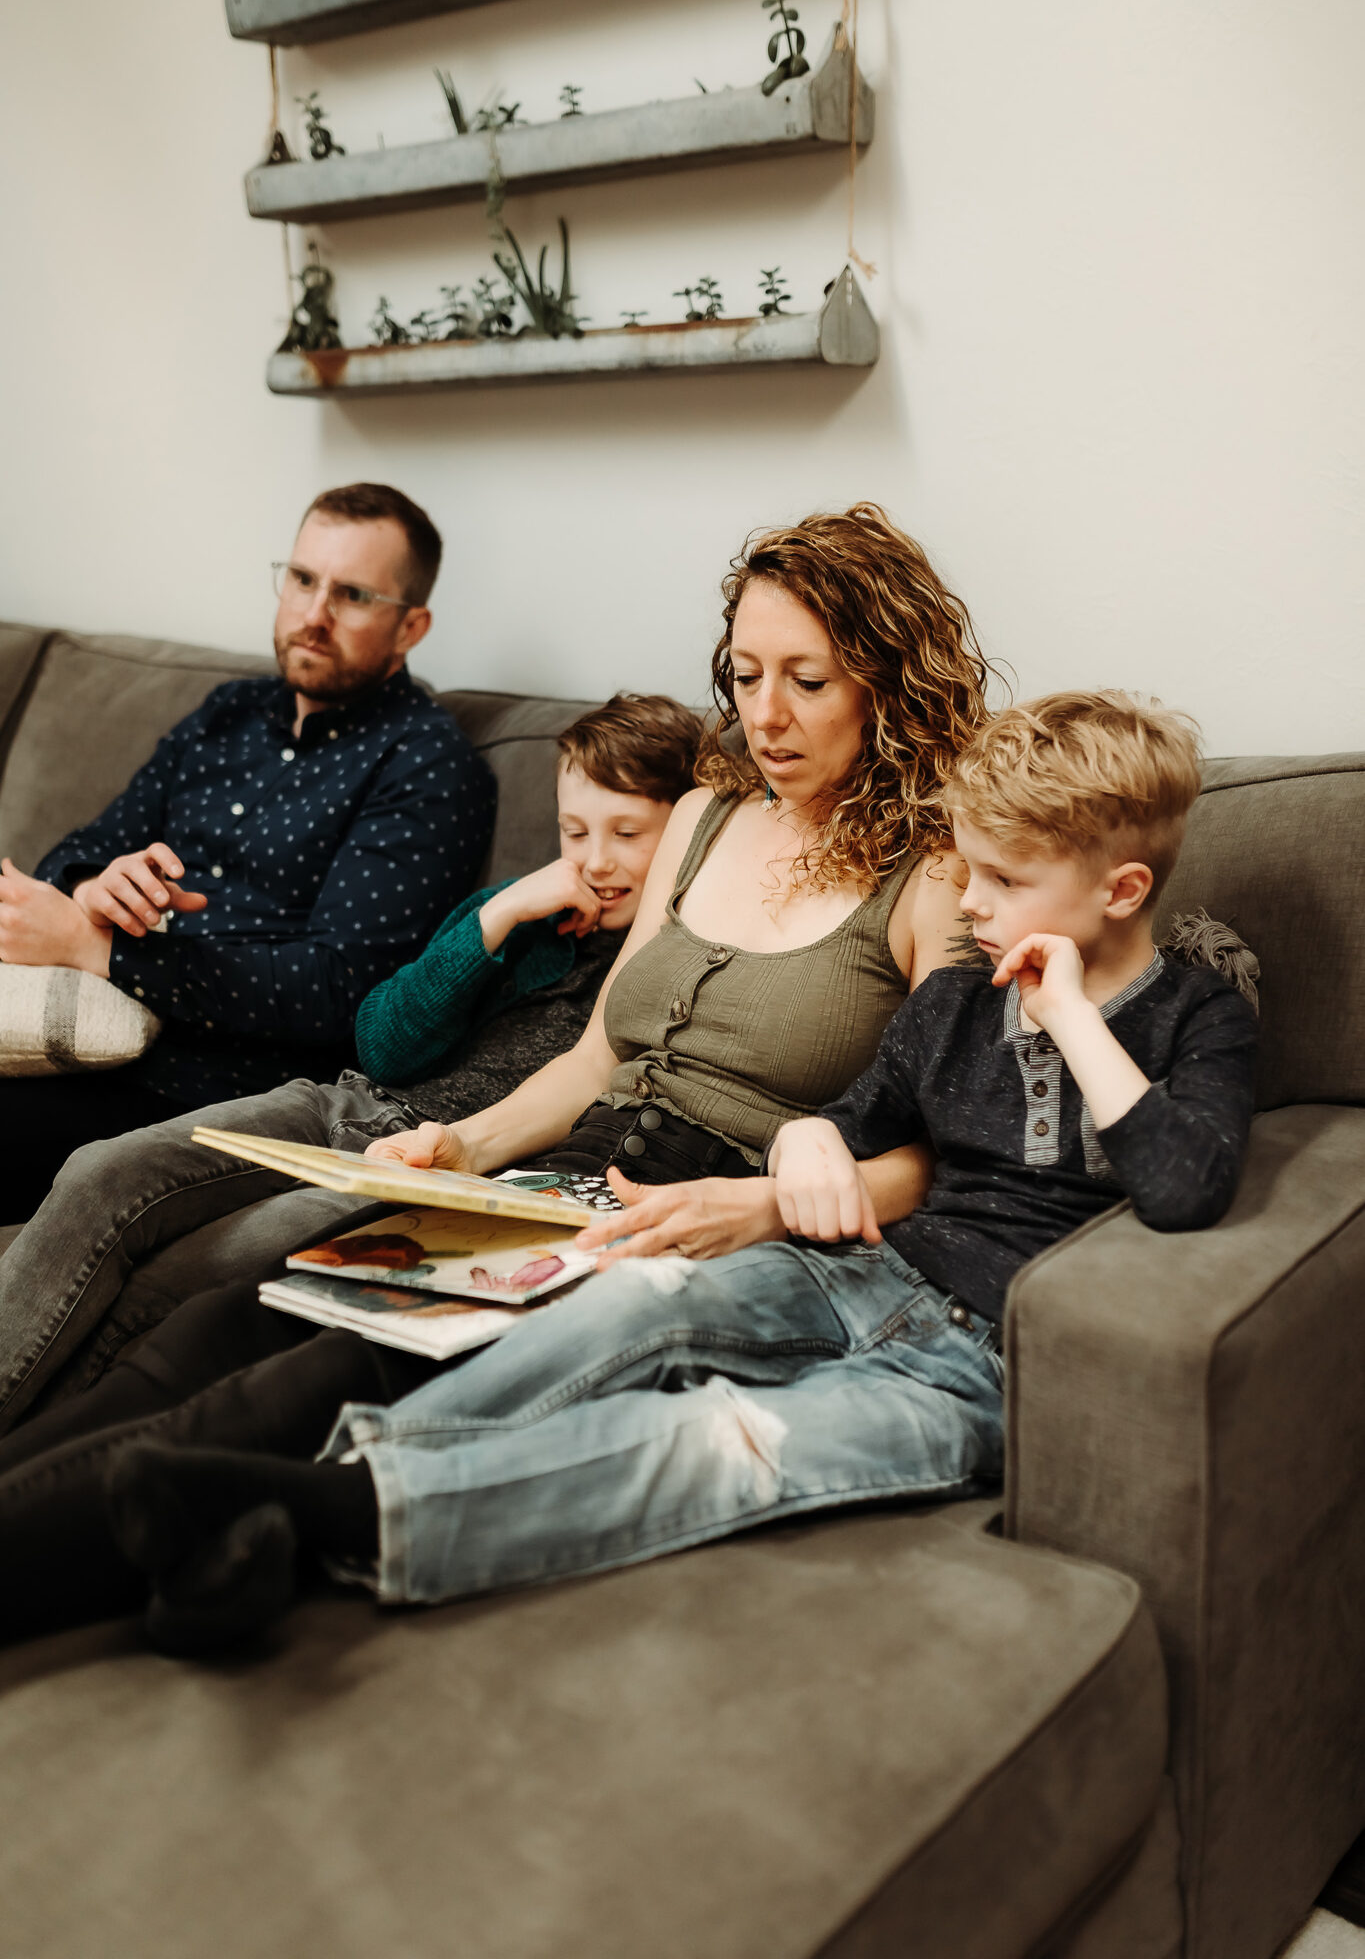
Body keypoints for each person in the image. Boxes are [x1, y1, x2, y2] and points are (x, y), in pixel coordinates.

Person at [9, 686, 1257, 1652]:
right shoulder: (959, 1003)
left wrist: (1076, 1013)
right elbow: (856, 1107)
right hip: (854, 1276)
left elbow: (1183, 1181)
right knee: (621, 1315)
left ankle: (321, 1516)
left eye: (1002, 881)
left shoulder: (1195, 1016)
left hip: (975, 1357)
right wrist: (812, 1139)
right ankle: (277, 1496)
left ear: (1121, 889)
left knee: (716, 1441)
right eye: (971, 873)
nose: (972, 904)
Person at [0, 501, 996, 1642]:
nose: (765, 713)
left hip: (684, 1219)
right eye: (746, 671)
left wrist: (764, 1204)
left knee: (290, 1393)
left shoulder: (938, 877)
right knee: (224, 1326)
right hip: (548, 1183)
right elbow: (597, 1055)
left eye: (808, 681)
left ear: (888, 678)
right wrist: (463, 1148)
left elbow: (944, 1152)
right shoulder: (711, 814)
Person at [0, 694, 703, 1431]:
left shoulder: (667, 963)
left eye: (627, 833)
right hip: (346, 1101)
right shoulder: (524, 914)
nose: (594, 860)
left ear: (688, 833)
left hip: (435, 1164)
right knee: (98, 1171)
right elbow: (384, 1042)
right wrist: (497, 919)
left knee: (179, 1279)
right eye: (573, 831)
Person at [0, 482, 496, 1220]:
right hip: (92, 1037)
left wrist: (100, 951)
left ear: (411, 626)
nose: (312, 615)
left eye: (352, 595)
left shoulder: (426, 765)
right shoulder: (225, 714)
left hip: (213, 1093)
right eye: (301, 580)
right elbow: (79, 849)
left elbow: (342, 992)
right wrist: (94, 889)